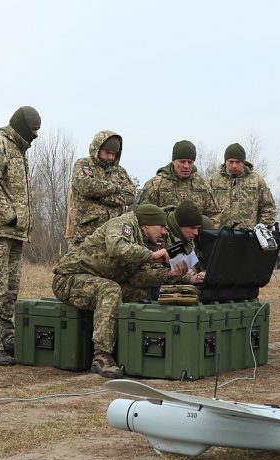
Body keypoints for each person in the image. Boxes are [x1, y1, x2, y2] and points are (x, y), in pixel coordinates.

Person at [52, 204, 195, 378]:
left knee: (140, 293)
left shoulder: (143, 241)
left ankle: (128, 349)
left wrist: (170, 274)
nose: (164, 232)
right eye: (162, 227)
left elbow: (138, 278)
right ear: (147, 224)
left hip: (94, 280)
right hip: (68, 278)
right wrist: (150, 255)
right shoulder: (123, 224)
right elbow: (116, 248)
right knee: (110, 290)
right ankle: (102, 356)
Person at [0, 106, 40, 366]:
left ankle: (6, 339)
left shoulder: (19, 149)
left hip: (15, 233)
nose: (36, 134)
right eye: (33, 129)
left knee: (10, 290)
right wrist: (9, 215)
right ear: (23, 126)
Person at [67, 130, 136, 248]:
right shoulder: (83, 164)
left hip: (113, 234)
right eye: (107, 153)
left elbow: (130, 195)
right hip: (87, 232)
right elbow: (86, 187)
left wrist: (102, 198)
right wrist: (114, 187)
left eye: (114, 154)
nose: (110, 157)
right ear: (97, 149)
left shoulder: (119, 171)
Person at [139, 140, 221, 224]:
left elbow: (214, 214)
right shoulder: (155, 185)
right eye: (182, 162)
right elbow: (144, 215)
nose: (186, 166)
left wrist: (205, 229)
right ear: (173, 161)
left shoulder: (202, 185)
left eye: (190, 162)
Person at [208, 143, 276, 228]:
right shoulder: (213, 180)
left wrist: (262, 228)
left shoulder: (256, 180)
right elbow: (205, 208)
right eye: (231, 162)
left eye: (238, 162)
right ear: (225, 162)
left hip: (248, 233)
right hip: (219, 233)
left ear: (243, 162)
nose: (234, 166)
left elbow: (269, 207)